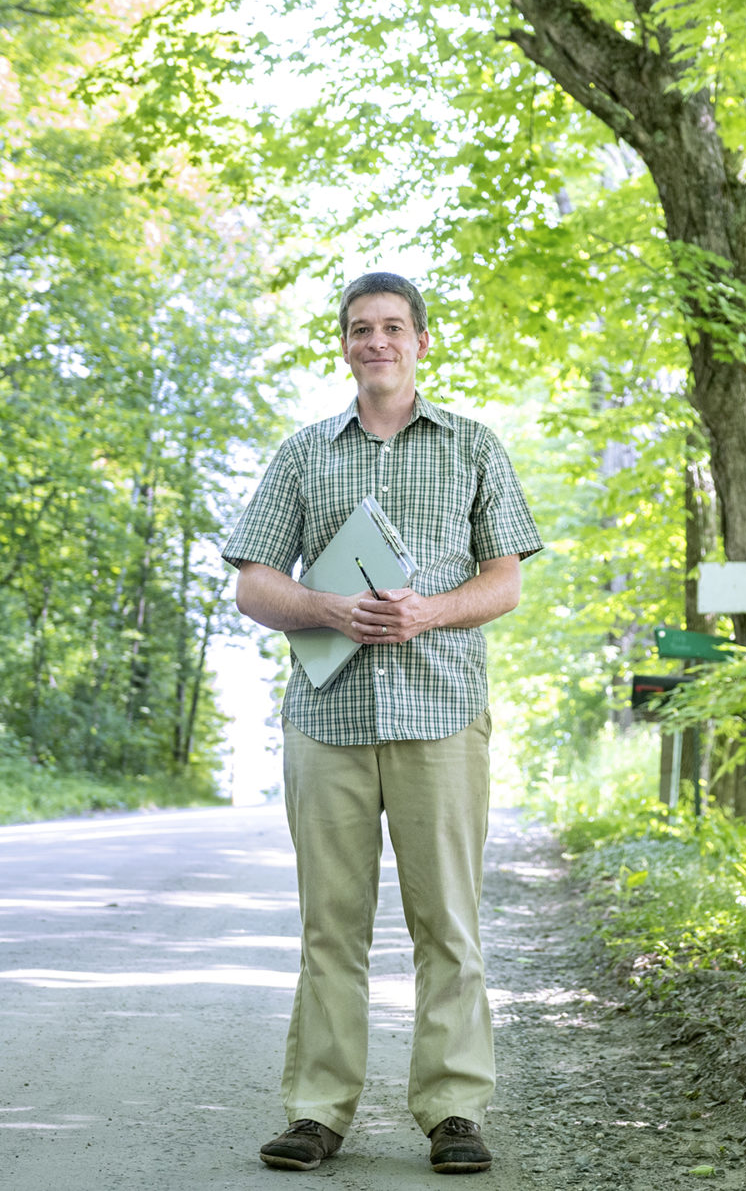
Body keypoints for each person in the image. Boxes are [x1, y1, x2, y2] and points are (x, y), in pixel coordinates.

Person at [225, 271, 542, 1176]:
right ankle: (318, 1111)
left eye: (393, 327)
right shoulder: (303, 453)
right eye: (361, 329)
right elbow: (252, 580)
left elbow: (506, 578)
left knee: (448, 921)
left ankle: (454, 1112)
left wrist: (425, 612)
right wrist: (326, 606)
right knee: (332, 924)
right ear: (345, 345)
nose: (378, 342)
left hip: (441, 713)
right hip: (328, 719)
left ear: (421, 342)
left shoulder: (474, 445)